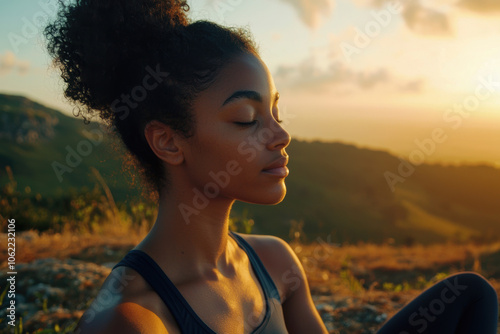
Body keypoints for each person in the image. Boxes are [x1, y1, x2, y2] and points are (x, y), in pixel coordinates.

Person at [44, 1, 498, 333]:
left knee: (469, 295)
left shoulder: (274, 261)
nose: (280, 135)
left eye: (276, 113)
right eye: (246, 119)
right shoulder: (135, 318)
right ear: (167, 141)